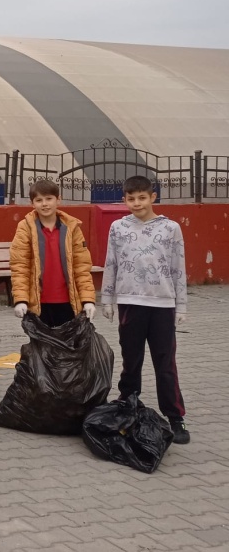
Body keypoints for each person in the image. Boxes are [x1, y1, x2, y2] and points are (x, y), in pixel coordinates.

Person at [101, 175, 190, 444]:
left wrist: (181, 304)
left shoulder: (170, 228)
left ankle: (175, 417)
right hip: (130, 303)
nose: (136, 203)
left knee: (165, 364)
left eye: (142, 197)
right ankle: (128, 407)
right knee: (131, 361)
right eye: (131, 198)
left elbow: (178, 267)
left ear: (153, 197)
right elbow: (111, 264)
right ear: (124, 199)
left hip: (162, 304)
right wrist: (107, 299)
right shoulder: (118, 227)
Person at [9, 180, 96, 327]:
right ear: (32, 203)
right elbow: (20, 267)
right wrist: (21, 300)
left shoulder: (72, 228)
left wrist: (88, 300)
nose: (44, 204)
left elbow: (81, 267)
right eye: (39, 200)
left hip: (68, 301)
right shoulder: (25, 228)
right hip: (38, 303)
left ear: (58, 199)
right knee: (42, 349)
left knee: (68, 348)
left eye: (49, 199)